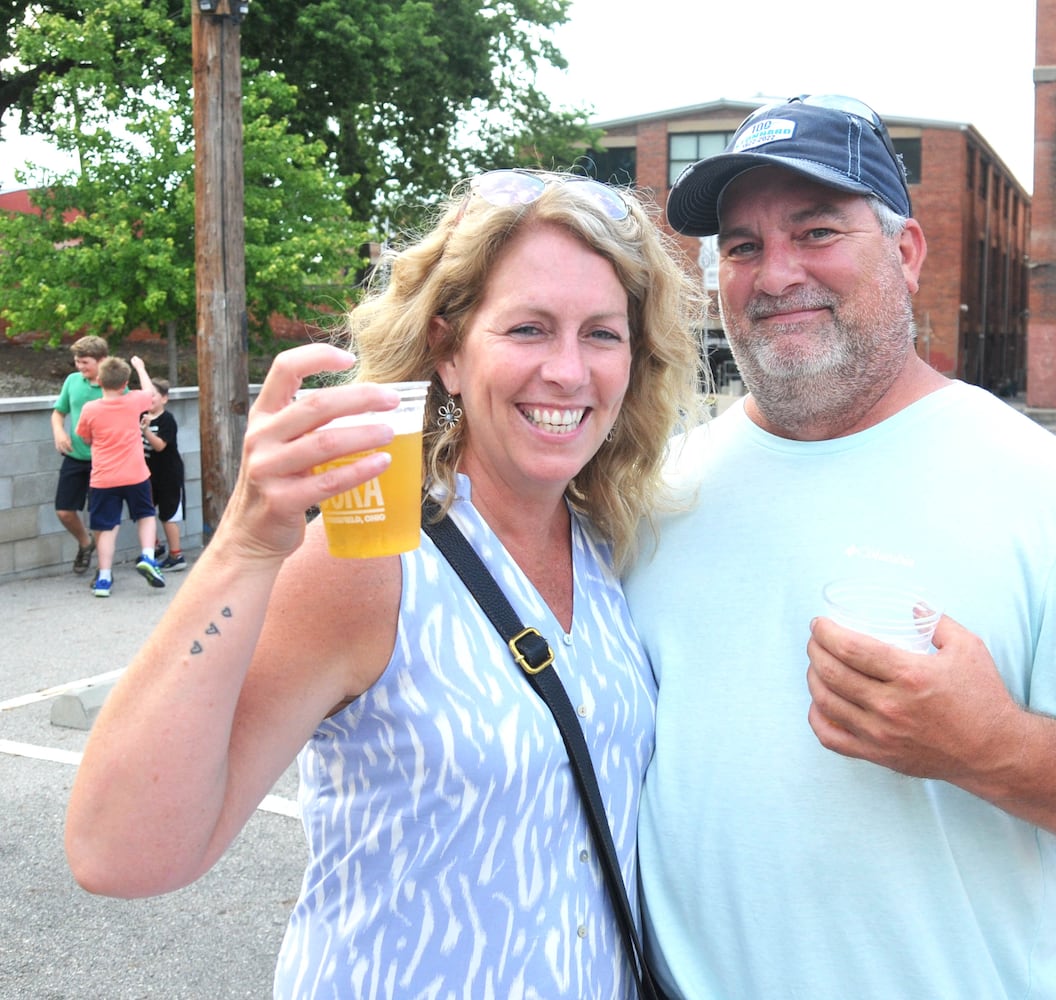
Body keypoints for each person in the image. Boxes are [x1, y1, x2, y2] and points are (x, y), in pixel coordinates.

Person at [623, 95, 1056, 999]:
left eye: (818, 230)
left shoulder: (1045, 493)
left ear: (906, 255)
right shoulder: (663, 489)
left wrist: (992, 746)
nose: (777, 271)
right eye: (744, 247)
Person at [65, 169, 707, 997]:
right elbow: (120, 853)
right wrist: (246, 547)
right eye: (527, 328)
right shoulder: (369, 560)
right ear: (446, 349)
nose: (567, 371)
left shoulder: (606, 544)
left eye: (602, 334)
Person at [75, 355, 167, 597]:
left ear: (99, 380)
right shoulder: (133, 401)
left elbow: (84, 438)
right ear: (125, 382)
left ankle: (104, 578)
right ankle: (148, 556)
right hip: (135, 474)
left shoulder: (90, 409)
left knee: (107, 527)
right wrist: (140, 367)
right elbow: (149, 393)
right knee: (146, 515)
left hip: (103, 478)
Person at [50, 335, 108, 573]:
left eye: (86, 362)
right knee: (64, 511)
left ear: (102, 360)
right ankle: (86, 543)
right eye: (78, 361)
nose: (80, 367)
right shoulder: (72, 381)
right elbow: (58, 413)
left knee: (99, 516)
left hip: (104, 461)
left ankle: (103, 570)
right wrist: (59, 433)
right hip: (75, 457)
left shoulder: (115, 385)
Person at [140, 376, 188, 571]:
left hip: (169, 475)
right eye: (147, 396)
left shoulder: (167, 419)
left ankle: (176, 555)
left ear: (164, 399)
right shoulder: (141, 415)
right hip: (146, 475)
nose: (149, 399)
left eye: (154, 396)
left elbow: (159, 446)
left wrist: (146, 432)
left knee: (167, 515)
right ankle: (155, 548)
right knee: (146, 513)